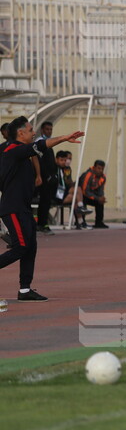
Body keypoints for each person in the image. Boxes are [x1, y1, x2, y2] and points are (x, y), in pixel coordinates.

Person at [0, 116, 83, 301]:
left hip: (24, 208)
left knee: (30, 247)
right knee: (20, 247)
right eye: (30, 130)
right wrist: (63, 138)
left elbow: (34, 152)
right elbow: (41, 146)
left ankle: (24, 290)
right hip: (12, 208)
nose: (34, 132)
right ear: (20, 133)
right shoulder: (13, 149)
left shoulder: (18, 152)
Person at [53, 150, 89, 228]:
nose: (65, 162)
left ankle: (80, 221)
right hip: (57, 193)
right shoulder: (54, 168)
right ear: (56, 159)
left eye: (66, 160)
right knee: (76, 193)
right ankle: (80, 215)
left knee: (77, 191)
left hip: (64, 191)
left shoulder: (67, 168)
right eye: (62, 160)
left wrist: (70, 179)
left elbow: (68, 182)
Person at [34, 121, 57, 234]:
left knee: (46, 201)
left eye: (50, 129)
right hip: (43, 178)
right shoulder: (40, 142)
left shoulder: (49, 142)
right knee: (43, 201)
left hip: (49, 178)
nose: (49, 131)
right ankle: (42, 224)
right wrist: (44, 175)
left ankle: (42, 223)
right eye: (47, 129)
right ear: (42, 130)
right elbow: (39, 161)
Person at [79, 160, 109, 229]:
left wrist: (101, 197)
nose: (101, 171)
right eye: (99, 168)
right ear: (94, 167)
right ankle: (81, 221)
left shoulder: (103, 177)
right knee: (82, 199)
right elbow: (85, 191)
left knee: (100, 202)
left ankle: (99, 222)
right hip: (81, 195)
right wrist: (97, 198)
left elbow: (101, 190)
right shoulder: (88, 175)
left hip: (91, 195)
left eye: (102, 169)